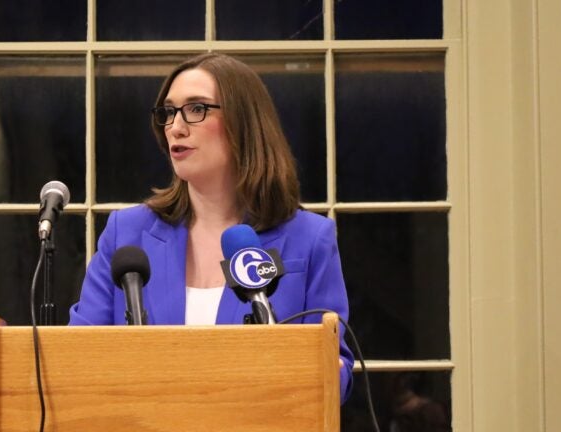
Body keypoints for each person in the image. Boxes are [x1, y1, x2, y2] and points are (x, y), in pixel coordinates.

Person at [69, 53, 354, 402]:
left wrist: (316, 373)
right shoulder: (126, 232)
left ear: (244, 123)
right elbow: (76, 359)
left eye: (196, 109)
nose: (175, 126)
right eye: (168, 112)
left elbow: (334, 378)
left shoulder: (309, 239)